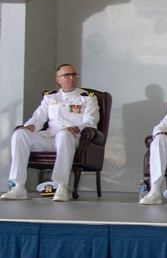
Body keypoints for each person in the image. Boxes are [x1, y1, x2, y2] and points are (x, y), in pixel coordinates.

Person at [2, 64, 99, 202]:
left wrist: (76, 128)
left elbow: (91, 122)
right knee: (20, 134)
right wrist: (29, 126)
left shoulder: (87, 98)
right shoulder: (50, 98)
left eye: (73, 75)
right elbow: (38, 118)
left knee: (63, 135)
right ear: (58, 79)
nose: (71, 78)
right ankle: (18, 187)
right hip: (49, 137)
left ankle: (61, 187)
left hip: (72, 138)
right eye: (67, 75)